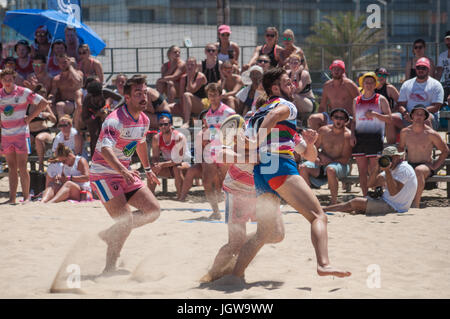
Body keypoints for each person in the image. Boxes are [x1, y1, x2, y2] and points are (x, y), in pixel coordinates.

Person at [225, 67, 351, 283]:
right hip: (279, 165)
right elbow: (273, 117)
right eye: (288, 82)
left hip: (261, 172)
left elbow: (311, 156)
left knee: (264, 233)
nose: (294, 85)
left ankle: (234, 276)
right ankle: (323, 264)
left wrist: (310, 144)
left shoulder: (256, 114)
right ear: (275, 88)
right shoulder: (285, 106)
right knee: (318, 216)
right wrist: (257, 140)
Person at [89, 74, 161, 273]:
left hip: (124, 172)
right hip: (103, 174)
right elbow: (105, 149)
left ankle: (111, 234)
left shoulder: (144, 119)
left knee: (153, 210)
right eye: (138, 93)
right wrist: (122, 169)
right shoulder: (115, 120)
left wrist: (147, 170)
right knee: (125, 221)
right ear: (127, 97)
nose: (143, 97)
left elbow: (140, 143)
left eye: (145, 92)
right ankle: (109, 268)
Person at [0, 68, 49, 204]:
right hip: (6, 135)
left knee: (22, 166)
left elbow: (44, 102)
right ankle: (12, 197)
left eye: (10, 79)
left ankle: (26, 197)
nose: (7, 82)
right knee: (11, 167)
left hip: (21, 134)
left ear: (14, 79)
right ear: (1, 81)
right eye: (5, 80)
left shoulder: (23, 92)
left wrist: (30, 118)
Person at [325, 146, 417, 215]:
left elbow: (393, 192)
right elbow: (370, 184)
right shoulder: (392, 168)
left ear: (397, 157)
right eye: (386, 158)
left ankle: (323, 210)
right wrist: (377, 166)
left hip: (395, 207)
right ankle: (327, 209)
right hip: (388, 202)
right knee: (351, 203)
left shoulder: (403, 169)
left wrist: (387, 171)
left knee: (355, 202)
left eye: (390, 157)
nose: (388, 160)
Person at [398, 105, 449, 208]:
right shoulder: (405, 132)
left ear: (425, 117)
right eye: (416, 114)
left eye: (421, 114)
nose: (419, 116)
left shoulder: (431, 134)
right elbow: (400, 148)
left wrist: (435, 166)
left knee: (419, 170)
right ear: (412, 115)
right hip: (410, 163)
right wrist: (400, 161)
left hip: (425, 166)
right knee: (394, 171)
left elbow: (445, 151)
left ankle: (415, 204)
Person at [351, 72, 392, 197]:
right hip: (360, 138)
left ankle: (377, 193)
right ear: (362, 84)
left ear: (375, 84)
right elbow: (354, 121)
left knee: (375, 170)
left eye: (371, 82)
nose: (368, 85)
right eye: (366, 82)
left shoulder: (380, 99)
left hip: (375, 138)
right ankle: (365, 196)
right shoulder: (356, 100)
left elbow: (390, 119)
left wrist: (375, 115)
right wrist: (352, 135)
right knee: (362, 171)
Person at [299, 108, 352, 205]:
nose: (338, 120)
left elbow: (345, 159)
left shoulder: (347, 135)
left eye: (342, 118)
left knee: (330, 169)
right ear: (332, 118)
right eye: (336, 117)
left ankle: (334, 201)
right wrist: (319, 156)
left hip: (341, 166)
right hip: (322, 164)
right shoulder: (323, 131)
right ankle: (309, 199)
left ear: (346, 121)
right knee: (302, 167)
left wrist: (329, 161)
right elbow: (314, 148)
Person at [202, 83, 236, 220]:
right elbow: (210, 133)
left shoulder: (229, 112)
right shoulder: (207, 115)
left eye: (215, 95)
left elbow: (236, 131)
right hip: (213, 150)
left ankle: (233, 212)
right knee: (206, 181)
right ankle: (216, 212)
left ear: (220, 95)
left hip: (227, 149)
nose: (213, 98)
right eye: (210, 95)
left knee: (227, 183)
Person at [308, 60, 360, 131]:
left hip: (347, 118)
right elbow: (322, 106)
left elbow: (360, 102)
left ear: (343, 71)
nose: (336, 71)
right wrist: (320, 117)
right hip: (333, 117)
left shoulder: (349, 84)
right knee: (313, 119)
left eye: (338, 69)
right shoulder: (327, 85)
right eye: (334, 69)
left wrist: (355, 119)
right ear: (331, 71)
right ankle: (318, 140)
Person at [148, 113, 191, 198]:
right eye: (161, 124)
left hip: (185, 164)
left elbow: (178, 160)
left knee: (177, 168)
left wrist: (162, 164)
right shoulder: (156, 138)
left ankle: (181, 196)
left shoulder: (179, 137)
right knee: (151, 169)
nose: (163, 126)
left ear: (171, 125)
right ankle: (150, 196)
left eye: (166, 124)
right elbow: (155, 157)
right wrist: (155, 164)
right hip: (169, 164)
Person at [397, 57, 444, 130]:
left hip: (427, 116)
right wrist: (405, 113)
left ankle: (430, 140)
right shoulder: (406, 84)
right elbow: (400, 105)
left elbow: (436, 107)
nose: (420, 70)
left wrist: (416, 114)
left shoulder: (436, 85)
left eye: (423, 68)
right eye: (418, 67)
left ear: (428, 70)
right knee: (392, 118)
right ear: (415, 69)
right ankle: (395, 141)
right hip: (408, 115)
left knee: (426, 119)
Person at [81, 80, 125, 157]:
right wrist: (95, 115)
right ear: (92, 96)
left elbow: (122, 99)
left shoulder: (104, 92)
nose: (99, 101)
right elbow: (85, 120)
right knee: (94, 135)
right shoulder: (87, 101)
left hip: (105, 113)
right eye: (97, 100)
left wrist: (114, 109)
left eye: (101, 98)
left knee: (110, 132)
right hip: (93, 116)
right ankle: (94, 158)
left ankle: (114, 155)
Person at [48, 53, 84, 129]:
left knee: (60, 105)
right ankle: (49, 128)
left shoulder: (78, 73)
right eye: (60, 63)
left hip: (75, 103)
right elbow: (53, 93)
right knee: (47, 106)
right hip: (64, 104)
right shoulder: (57, 79)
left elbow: (78, 81)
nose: (63, 64)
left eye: (65, 62)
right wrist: (50, 99)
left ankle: (63, 127)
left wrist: (70, 67)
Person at [27, 84, 57, 172]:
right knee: (26, 140)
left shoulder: (45, 105)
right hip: (31, 131)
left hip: (43, 131)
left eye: (44, 96)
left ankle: (40, 164)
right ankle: (22, 163)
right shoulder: (28, 105)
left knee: (38, 139)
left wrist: (48, 115)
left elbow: (54, 120)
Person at [374, 67, 402, 144]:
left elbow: (400, 103)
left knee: (388, 119)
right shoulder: (371, 88)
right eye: (379, 74)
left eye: (384, 75)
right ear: (375, 75)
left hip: (387, 115)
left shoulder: (389, 88)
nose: (381, 77)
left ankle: (391, 145)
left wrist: (391, 112)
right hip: (375, 115)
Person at [180, 56, 207, 128]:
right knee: (170, 107)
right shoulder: (183, 78)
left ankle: (186, 122)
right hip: (189, 104)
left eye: (192, 65)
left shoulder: (200, 76)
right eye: (188, 64)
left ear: (196, 66)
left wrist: (189, 77)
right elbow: (181, 95)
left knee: (187, 95)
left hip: (202, 104)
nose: (189, 67)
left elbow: (191, 90)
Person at [288, 54, 315, 120]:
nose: (293, 65)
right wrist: (292, 75)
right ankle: (274, 130)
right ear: (288, 64)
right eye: (291, 63)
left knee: (293, 95)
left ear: (300, 63)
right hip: (294, 102)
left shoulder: (304, 74)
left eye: (296, 63)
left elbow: (297, 90)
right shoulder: (287, 73)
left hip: (308, 102)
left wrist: (296, 74)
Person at [435, 31, 450, 102]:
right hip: (447, 86)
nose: (449, 41)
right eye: (447, 40)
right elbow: (439, 74)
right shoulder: (442, 56)